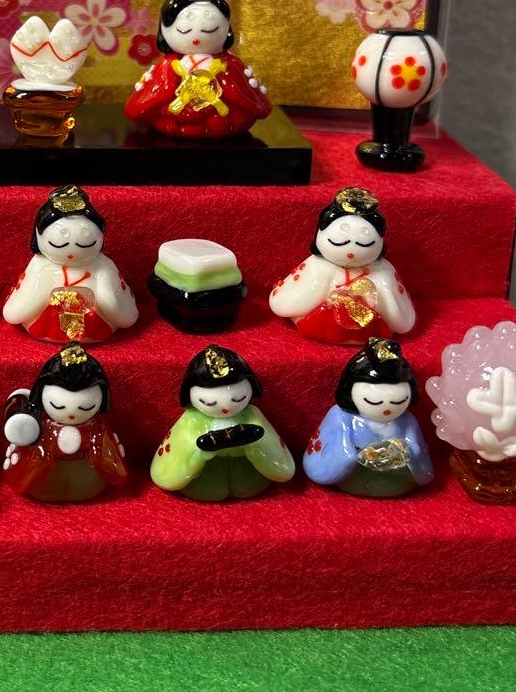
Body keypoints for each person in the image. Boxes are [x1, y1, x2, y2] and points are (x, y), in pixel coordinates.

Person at [124, 0, 271, 138]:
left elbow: (245, 95)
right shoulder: (168, 65)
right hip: (178, 113)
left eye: (208, 30)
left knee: (225, 119)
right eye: (185, 30)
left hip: (218, 113)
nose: (196, 38)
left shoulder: (231, 64)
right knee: (167, 114)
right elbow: (149, 97)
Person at [269, 187, 415, 344]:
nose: (352, 247)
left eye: (364, 238)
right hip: (320, 321)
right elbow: (285, 304)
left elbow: (400, 320)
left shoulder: (383, 271)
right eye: (343, 234)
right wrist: (320, 283)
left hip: (370, 328)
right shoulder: (317, 265)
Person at [150, 345, 295, 500]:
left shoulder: (251, 414)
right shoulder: (191, 418)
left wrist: (253, 444)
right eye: (209, 402)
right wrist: (201, 449)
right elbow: (172, 463)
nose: (226, 408)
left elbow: (281, 464)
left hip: (247, 475)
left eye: (238, 399)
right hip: (204, 478)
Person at [2, 184, 137, 343]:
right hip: (50, 317)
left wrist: (108, 300)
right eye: (62, 242)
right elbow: (30, 298)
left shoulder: (103, 265)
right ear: (38, 237)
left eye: (83, 241)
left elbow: (112, 302)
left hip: (93, 319)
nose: (71, 252)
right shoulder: (40, 264)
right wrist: (19, 309)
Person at [303, 337, 433, 497]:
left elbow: (416, 447)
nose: (387, 408)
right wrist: (351, 455)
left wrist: (409, 451)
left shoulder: (407, 420)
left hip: (396, 472)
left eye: (397, 401)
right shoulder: (342, 417)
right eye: (375, 401)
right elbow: (336, 446)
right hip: (357, 471)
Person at [2, 343, 127, 502]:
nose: (72, 414)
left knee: (89, 481)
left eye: (85, 407)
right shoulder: (41, 424)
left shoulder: (96, 426)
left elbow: (110, 459)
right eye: (58, 406)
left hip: (86, 474)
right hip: (46, 476)